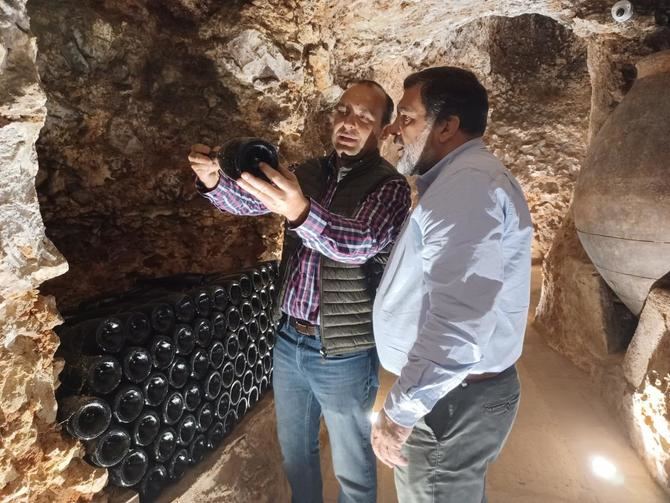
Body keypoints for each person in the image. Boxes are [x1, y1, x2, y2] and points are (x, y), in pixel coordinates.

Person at [188, 80, 411, 503]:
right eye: (344, 111)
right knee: (296, 456)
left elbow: (358, 243)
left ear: (383, 130)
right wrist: (215, 182)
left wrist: (300, 211)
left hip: (342, 349)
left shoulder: (389, 187)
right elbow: (255, 203)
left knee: (353, 470)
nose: (349, 123)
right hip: (289, 339)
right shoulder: (309, 172)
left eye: (364, 117)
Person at [370, 67, 533, 503]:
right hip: (453, 395)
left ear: (447, 126)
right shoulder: (463, 180)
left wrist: (399, 414)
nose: (393, 129)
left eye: (407, 117)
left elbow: (458, 322)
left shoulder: (468, 188)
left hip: (449, 404)